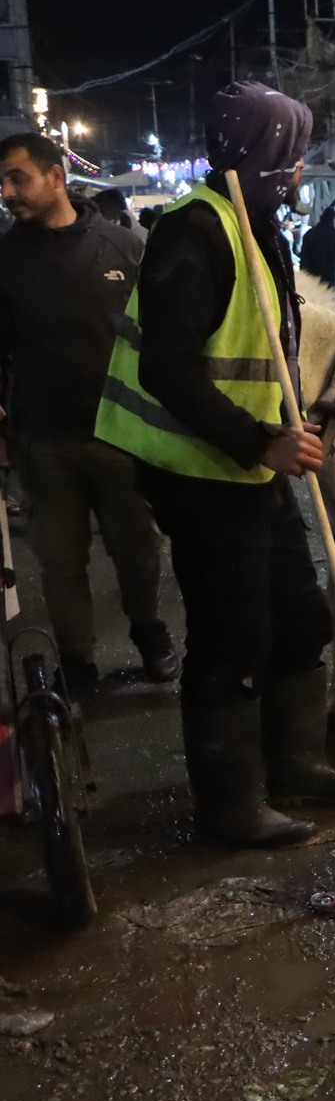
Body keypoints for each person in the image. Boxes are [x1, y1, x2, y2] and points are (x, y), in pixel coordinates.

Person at [96, 80, 335, 849]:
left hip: (247, 463)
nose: (301, 168)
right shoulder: (194, 231)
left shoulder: (257, 224)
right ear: (261, 155)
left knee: (300, 614)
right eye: (293, 154)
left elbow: (260, 340)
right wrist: (259, 440)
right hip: (197, 468)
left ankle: (295, 762)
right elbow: (169, 370)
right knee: (231, 632)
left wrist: (286, 420)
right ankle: (230, 805)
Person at [0, 132, 177, 690]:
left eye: (17, 178)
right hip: (43, 441)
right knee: (60, 564)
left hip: (122, 436)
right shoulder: (4, 259)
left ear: (56, 176)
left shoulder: (124, 247)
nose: (7, 192)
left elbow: (164, 337)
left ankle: (149, 632)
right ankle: (77, 663)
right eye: (2, 182)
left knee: (139, 551)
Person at [299, 201, 335, 286]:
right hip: (328, 277)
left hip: (310, 277)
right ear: (333, 219)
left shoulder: (309, 233)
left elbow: (303, 257)